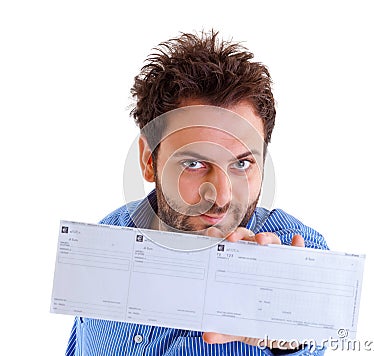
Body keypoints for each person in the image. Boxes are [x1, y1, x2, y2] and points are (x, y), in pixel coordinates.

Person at [66, 30, 328, 356]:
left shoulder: (299, 254)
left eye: (242, 164)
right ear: (149, 161)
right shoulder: (107, 237)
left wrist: (291, 340)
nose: (221, 197)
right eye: (193, 163)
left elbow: (310, 333)